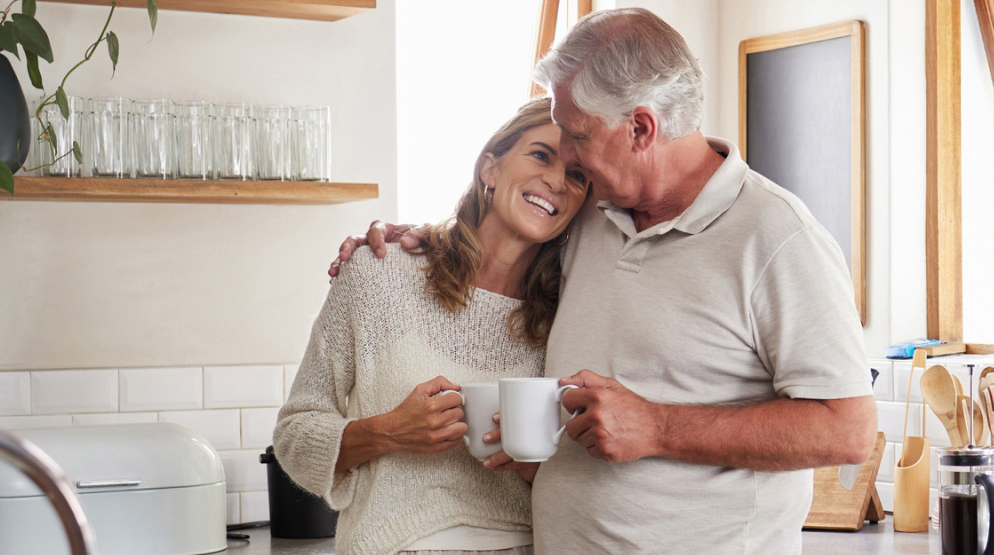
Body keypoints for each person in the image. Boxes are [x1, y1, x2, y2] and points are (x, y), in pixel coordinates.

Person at [332, 8, 876, 554]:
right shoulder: (593, 210)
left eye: (578, 135)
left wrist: (659, 427)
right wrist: (421, 241)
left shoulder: (777, 237)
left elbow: (847, 431)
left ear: (640, 128)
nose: (566, 154)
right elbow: (508, 221)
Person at [275, 98, 591, 555]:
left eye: (577, 174)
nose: (557, 181)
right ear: (490, 168)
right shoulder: (378, 274)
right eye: (541, 155)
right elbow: (294, 437)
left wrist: (533, 466)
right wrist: (387, 431)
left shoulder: (569, 314)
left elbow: (582, 476)